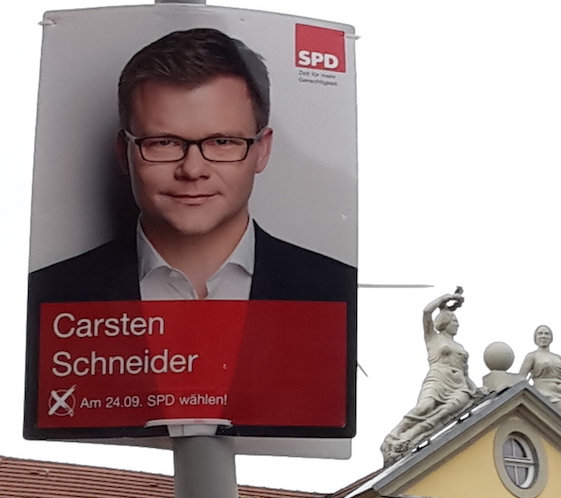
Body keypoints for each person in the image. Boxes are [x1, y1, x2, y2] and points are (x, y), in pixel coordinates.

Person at [25, 27, 356, 440]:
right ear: (124, 153)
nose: (193, 169)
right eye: (163, 142)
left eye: (222, 141)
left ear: (262, 149)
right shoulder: (56, 293)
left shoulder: (331, 290)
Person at [381, 291, 483, 467]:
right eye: (454, 322)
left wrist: (476, 390)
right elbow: (427, 312)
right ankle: (395, 436)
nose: (457, 326)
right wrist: (444, 299)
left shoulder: (460, 347)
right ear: (445, 323)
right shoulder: (432, 337)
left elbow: (465, 374)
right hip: (438, 378)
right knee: (424, 406)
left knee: (446, 411)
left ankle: (410, 438)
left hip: (459, 386)